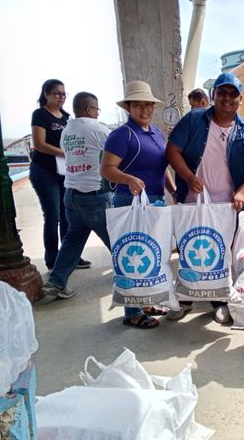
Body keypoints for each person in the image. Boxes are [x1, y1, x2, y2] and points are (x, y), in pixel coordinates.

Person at [166, 72, 244, 323]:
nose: (227, 98)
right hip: (193, 202)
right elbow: (172, 150)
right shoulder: (194, 120)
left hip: (228, 208)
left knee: (222, 254)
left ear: (240, 99)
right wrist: (189, 177)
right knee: (190, 249)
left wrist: (242, 191)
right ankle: (185, 298)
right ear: (213, 95)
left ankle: (221, 301)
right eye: (222, 93)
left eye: (233, 94)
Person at [100, 80, 177, 329]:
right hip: (130, 201)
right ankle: (132, 312)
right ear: (129, 108)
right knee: (133, 255)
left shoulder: (156, 133)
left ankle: (146, 301)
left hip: (155, 202)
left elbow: (162, 168)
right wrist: (129, 178)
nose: (144, 110)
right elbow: (107, 169)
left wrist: (173, 190)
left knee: (154, 255)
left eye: (148, 105)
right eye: (138, 105)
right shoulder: (121, 135)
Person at [41, 92, 111, 300]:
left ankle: (57, 281)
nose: (97, 113)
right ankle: (130, 274)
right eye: (96, 109)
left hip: (71, 194)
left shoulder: (67, 131)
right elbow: (117, 154)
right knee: (116, 238)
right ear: (89, 109)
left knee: (73, 239)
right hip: (94, 194)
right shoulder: (99, 129)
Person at [30, 79, 91, 271]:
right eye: (57, 93)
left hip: (65, 172)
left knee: (68, 215)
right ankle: (53, 260)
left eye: (64, 94)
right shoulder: (40, 115)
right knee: (52, 216)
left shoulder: (66, 117)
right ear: (46, 94)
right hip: (44, 170)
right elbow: (39, 144)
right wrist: (65, 153)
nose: (61, 97)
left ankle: (69, 256)